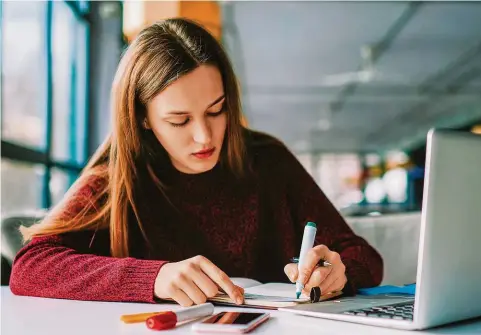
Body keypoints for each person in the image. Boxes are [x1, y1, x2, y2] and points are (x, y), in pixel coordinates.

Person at [9, 18, 383, 307]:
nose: (205, 136)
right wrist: (154, 278)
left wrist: (337, 272)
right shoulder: (117, 176)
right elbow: (30, 267)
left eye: (216, 111)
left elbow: (364, 256)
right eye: (179, 121)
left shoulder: (267, 159)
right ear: (142, 118)